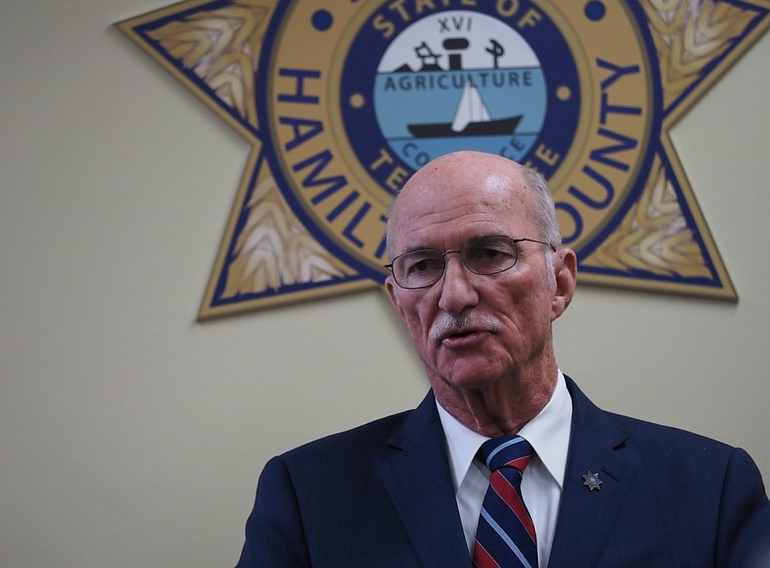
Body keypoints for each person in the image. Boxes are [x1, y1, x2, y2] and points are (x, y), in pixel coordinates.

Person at [236, 151, 770, 567]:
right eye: (421, 266)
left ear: (559, 283)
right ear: (400, 303)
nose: (454, 296)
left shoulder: (709, 487)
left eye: (489, 254)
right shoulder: (308, 495)